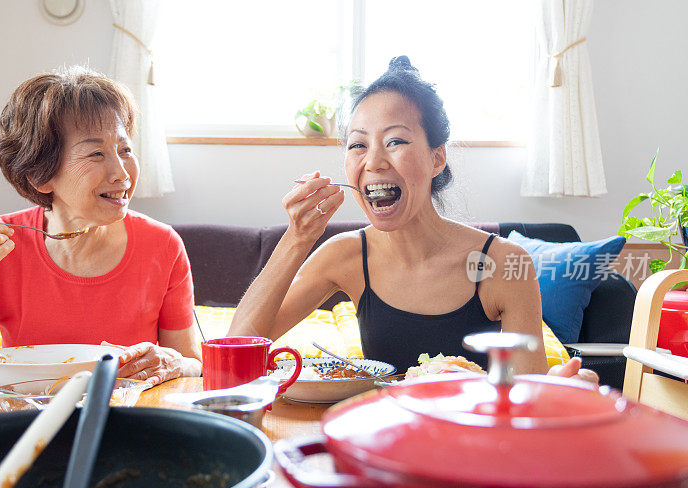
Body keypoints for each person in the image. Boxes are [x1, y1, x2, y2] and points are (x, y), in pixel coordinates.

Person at [229, 56, 596, 382]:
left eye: (395, 142)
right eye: (358, 145)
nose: (373, 161)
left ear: (437, 159)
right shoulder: (345, 255)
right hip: (382, 447)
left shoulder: (503, 263)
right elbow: (234, 348)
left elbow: (527, 399)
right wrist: (297, 238)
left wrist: (558, 395)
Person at [0, 66, 201, 393]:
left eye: (125, 149)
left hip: (128, 425)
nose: (121, 172)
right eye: (96, 153)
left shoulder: (163, 245)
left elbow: (191, 363)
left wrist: (174, 363)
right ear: (41, 175)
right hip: (25, 423)